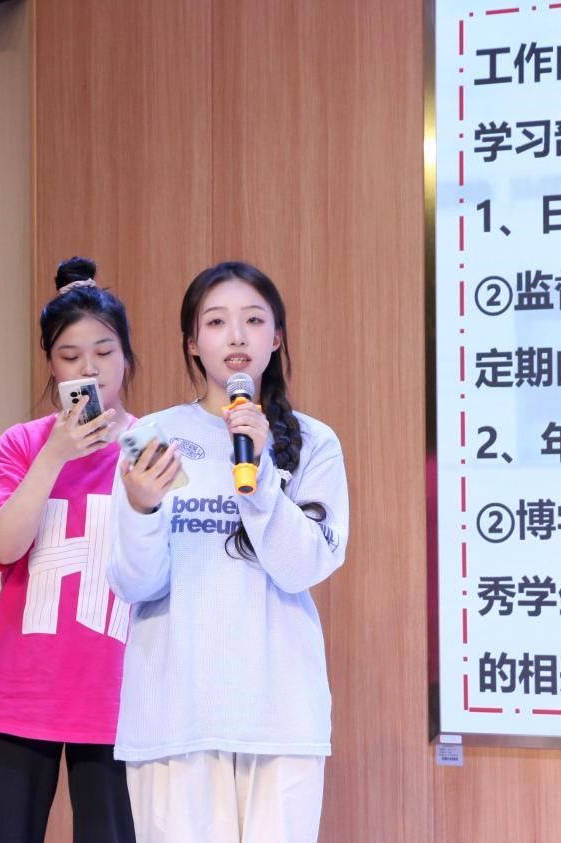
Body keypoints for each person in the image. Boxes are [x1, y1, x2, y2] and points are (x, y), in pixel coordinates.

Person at [107, 261, 349, 843]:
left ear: (277, 337)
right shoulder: (155, 436)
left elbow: (301, 568)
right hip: (176, 716)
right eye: (216, 322)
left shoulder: (313, 442)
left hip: (279, 717)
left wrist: (261, 474)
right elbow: (135, 585)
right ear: (193, 342)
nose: (236, 336)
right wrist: (141, 507)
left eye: (254, 321)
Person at [0, 257, 137, 843]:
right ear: (52, 365)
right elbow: (4, 546)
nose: (90, 367)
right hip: (18, 693)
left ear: (127, 358)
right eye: (70, 355)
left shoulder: (151, 445)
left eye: (104, 351)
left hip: (121, 697)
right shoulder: (21, 444)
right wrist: (55, 455)